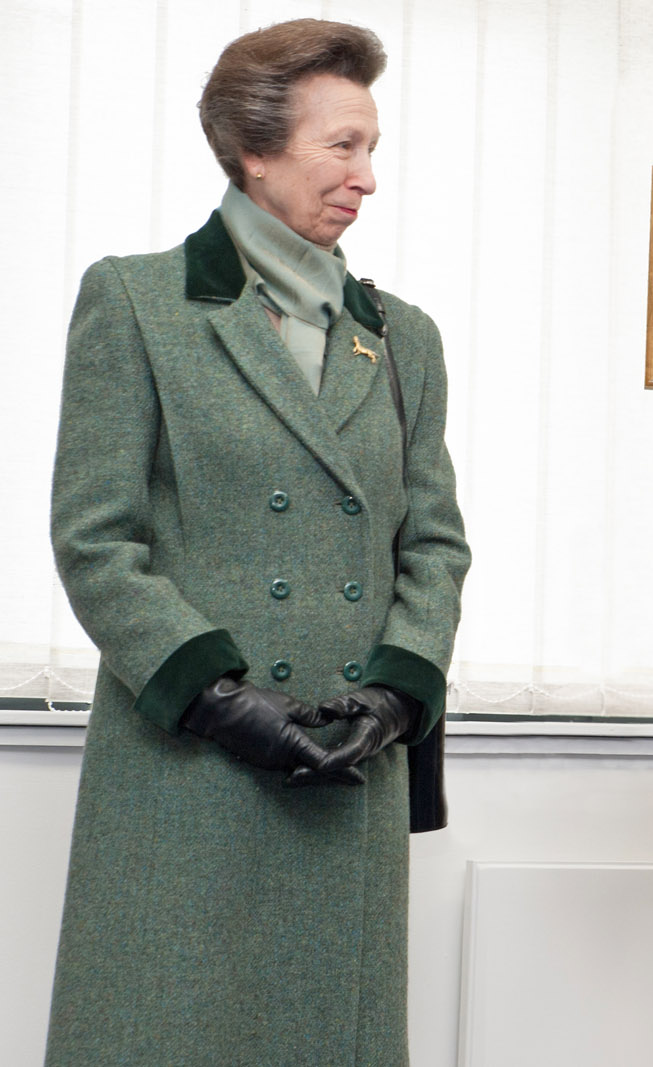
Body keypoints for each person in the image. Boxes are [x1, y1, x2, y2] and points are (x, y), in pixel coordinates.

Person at [45, 19, 470, 1065]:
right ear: (254, 150)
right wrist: (219, 699)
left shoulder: (401, 334)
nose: (368, 177)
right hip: (188, 772)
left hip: (345, 767)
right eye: (344, 146)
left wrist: (394, 695)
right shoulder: (139, 302)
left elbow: (437, 545)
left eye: (373, 147)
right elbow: (96, 538)